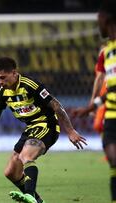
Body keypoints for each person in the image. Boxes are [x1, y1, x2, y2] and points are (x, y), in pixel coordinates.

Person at [0, 57, 87, 203]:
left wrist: (71, 131)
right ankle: (38, 201)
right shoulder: (3, 92)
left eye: (3, 77)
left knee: (26, 156)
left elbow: (56, 106)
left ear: (14, 73)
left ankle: (29, 196)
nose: (0, 82)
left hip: (47, 125)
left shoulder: (30, 85)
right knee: (10, 172)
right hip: (30, 129)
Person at [71, 1, 116, 202]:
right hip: (112, 115)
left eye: (99, 20)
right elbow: (111, 88)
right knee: (113, 161)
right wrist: (92, 106)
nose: (98, 26)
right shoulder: (107, 52)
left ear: (107, 20)